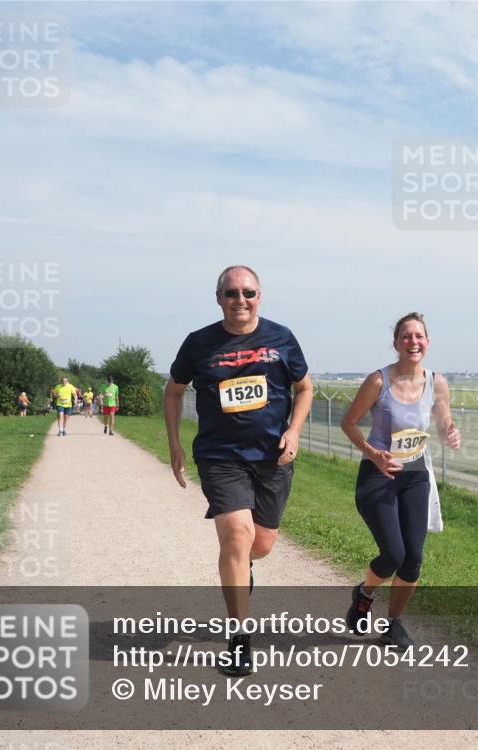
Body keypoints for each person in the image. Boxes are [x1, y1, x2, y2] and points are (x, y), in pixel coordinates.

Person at [164, 265, 313, 676]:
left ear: (260, 296)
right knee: (236, 533)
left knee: (259, 545)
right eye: (231, 293)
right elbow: (174, 391)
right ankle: (239, 639)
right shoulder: (199, 343)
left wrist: (295, 431)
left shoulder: (282, 338)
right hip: (220, 455)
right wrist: (175, 444)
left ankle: (240, 566)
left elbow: (304, 387)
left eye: (248, 292)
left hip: (272, 457)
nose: (240, 300)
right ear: (219, 298)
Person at [340, 312, 460, 649]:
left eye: (419, 336)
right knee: (392, 554)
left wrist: (449, 431)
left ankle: (394, 624)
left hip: (415, 474)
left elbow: (442, 419)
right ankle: (364, 594)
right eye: (406, 336)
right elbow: (349, 423)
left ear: (428, 342)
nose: (413, 342)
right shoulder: (378, 381)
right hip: (378, 475)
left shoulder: (436, 382)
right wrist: (374, 454)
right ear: (396, 344)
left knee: (414, 557)